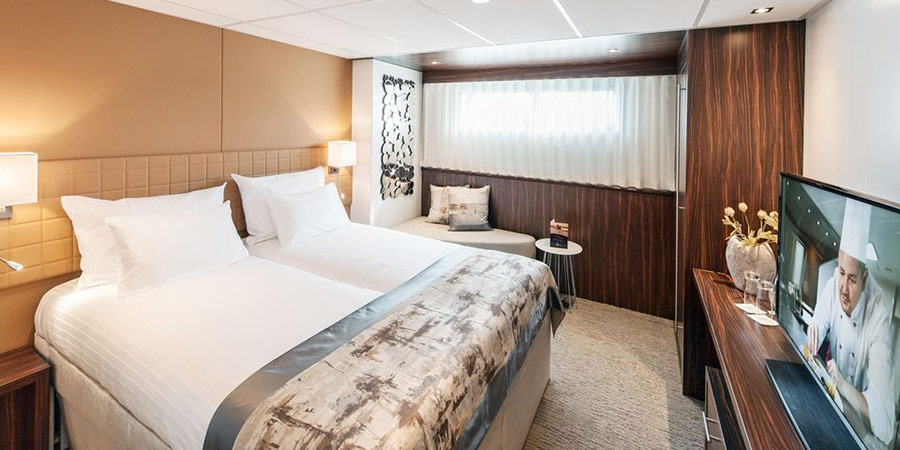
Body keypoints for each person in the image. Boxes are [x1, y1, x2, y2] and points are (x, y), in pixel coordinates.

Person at [807, 199, 896, 446]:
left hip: (859, 432)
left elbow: (886, 423)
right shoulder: (834, 283)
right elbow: (818, 322)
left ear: (865, 279)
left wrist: (843, 385)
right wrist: (813, 332)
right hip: (832, 404)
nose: (843, 289)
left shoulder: (878, 314)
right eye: (841, 273)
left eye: (853, 279)